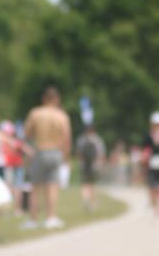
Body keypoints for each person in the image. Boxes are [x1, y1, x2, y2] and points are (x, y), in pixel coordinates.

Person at [24, 87, 72, 228]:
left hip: (40, 151)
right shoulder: (62, 116)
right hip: (55, 152)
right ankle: (50, 218)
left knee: (35, 188)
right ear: (57, 100)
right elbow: (67, 139)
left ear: (44, 99)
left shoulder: (35, 113)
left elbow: (27, 133)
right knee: (52, 187)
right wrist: (66, 157)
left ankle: (33, 220)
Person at [75, 124, 106, 210]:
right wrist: (100, 164)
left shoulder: (81, 139)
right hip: (94, 165)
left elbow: (78, 153)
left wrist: (80, 162)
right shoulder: (97, 139)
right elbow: (101, 153)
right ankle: (92, 202)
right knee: (92, 184)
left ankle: (85, 199)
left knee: (84, 183)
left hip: (84, 165)